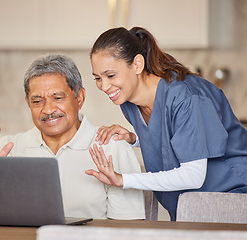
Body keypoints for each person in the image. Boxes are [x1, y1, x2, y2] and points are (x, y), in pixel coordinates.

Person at [86, 26, 247, 221]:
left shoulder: (185, 97)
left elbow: (193, 176)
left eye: (110, 75)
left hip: (230, 199)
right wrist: (134, 138)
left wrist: (123, 180)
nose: (104, 86)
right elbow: (169, 135)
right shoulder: (128, 100)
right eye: (97, 78)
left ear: (137, 64)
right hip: (189, 205)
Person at [0, 54, 145, 220]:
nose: (47, 110)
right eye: (37, 101)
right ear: (28, 103)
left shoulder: (112, 147)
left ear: (79, 98)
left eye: (58, 98)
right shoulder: (8, 149)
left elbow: (127, 230)